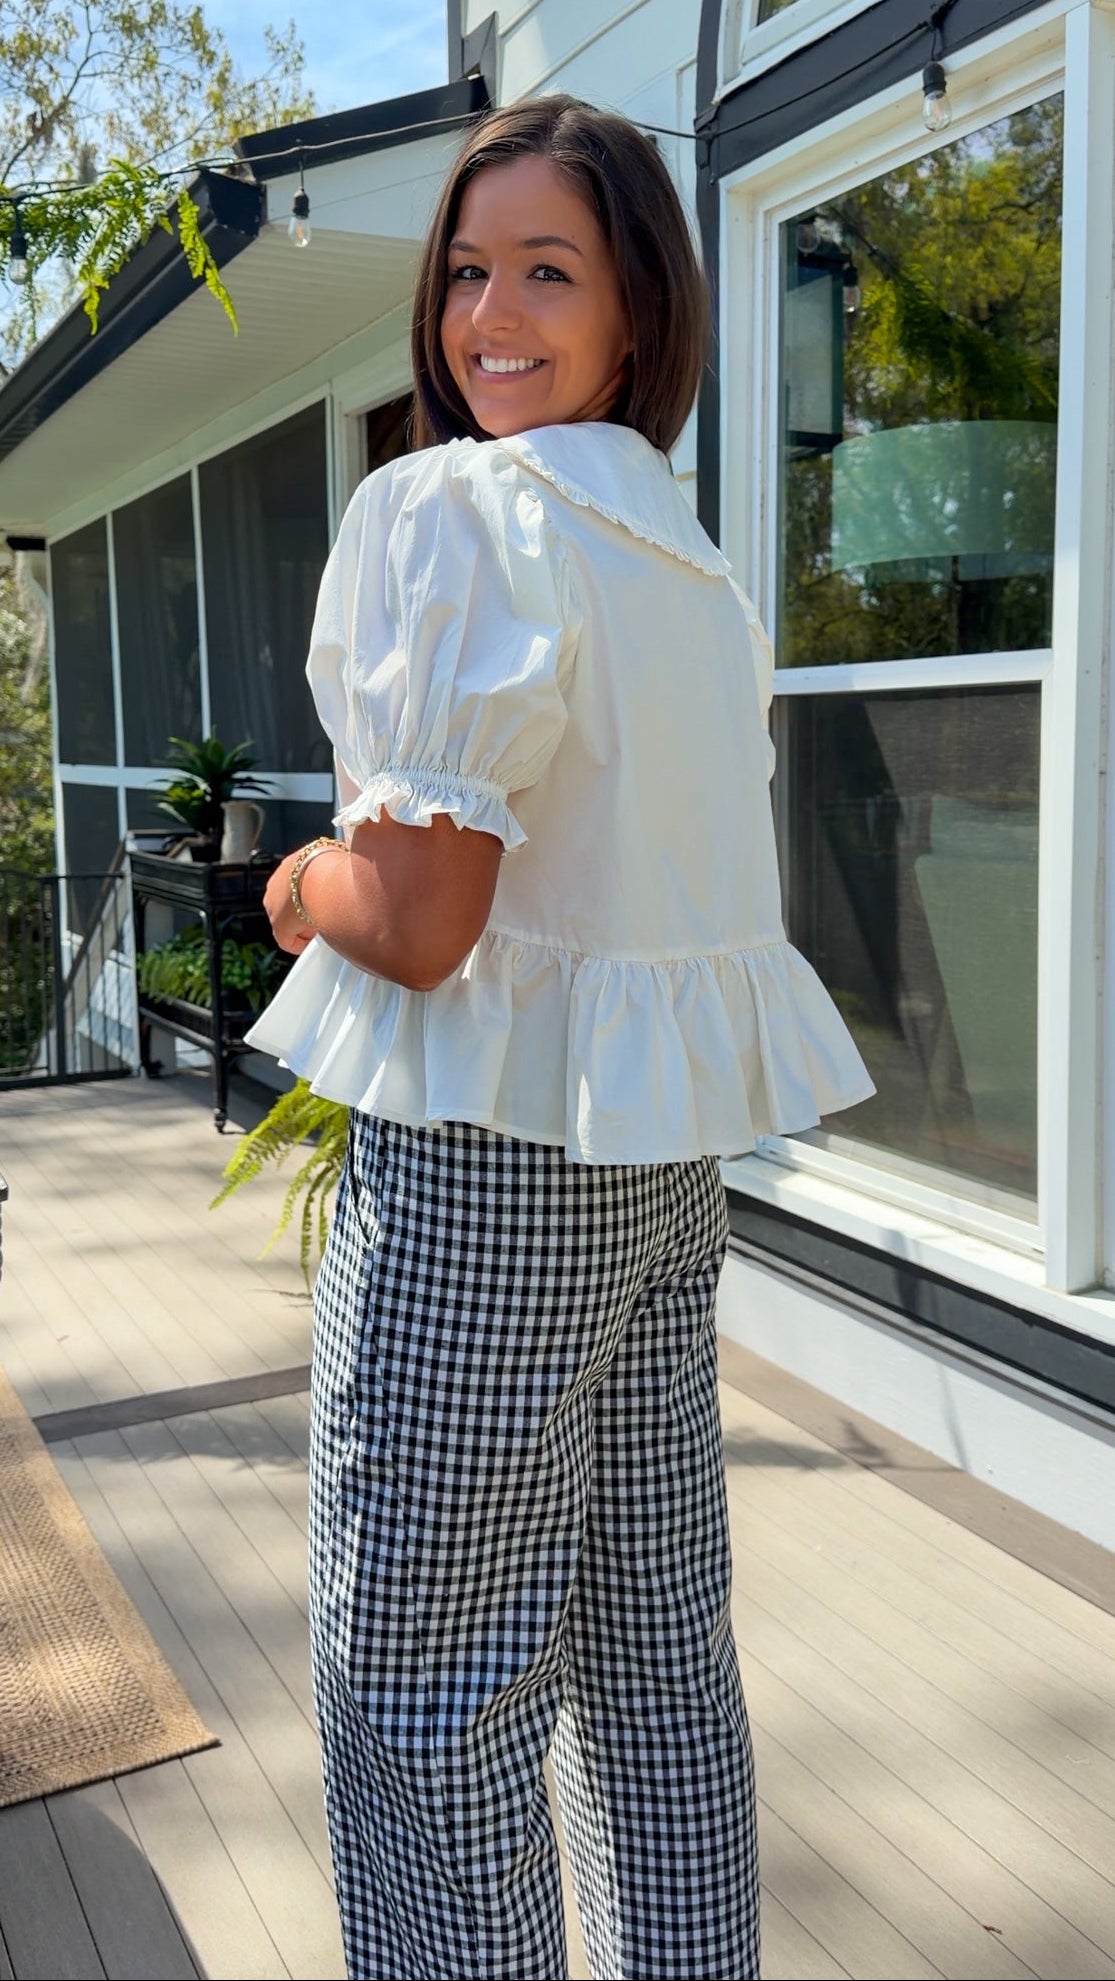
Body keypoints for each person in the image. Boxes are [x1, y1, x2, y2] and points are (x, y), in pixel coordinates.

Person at [246, 92, 873, 1981]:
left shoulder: (453, 512)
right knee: (659, 1659)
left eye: (547, 269)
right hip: (656, 1176)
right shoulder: (680, 556)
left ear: (633, 312)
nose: (487, 313)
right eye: (465, 270)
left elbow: (423, 926)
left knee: (430, 1710)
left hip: (484, 1183)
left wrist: (292, 887)